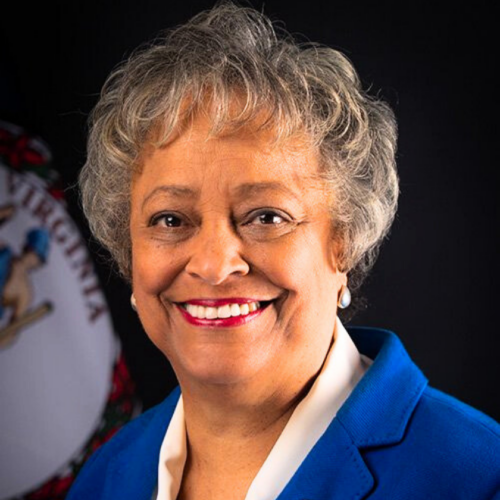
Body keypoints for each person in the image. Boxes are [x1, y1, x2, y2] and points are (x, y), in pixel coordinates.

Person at [67, 3, 500, 499]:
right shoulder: (105, 478)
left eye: (266, 217)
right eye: (170, 220)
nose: (213, 264)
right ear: (128, 252)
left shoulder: (478, 478)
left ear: (344, 244)